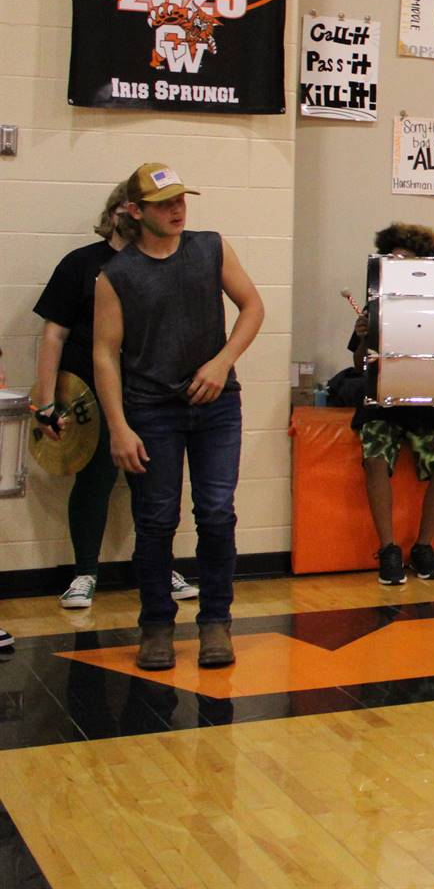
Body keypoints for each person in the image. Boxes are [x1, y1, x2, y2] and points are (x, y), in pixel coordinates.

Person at [94, 163, 264, 672]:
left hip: (216, 405)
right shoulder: (116, 275)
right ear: (135, 210)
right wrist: (119, 426)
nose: (176, 209)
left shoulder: (210, 247)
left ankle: (216, 622)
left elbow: (252, 306)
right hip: (151, 409)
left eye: (180, 200)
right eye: (163, 203)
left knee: (216, 513)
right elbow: (105, 354)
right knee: (156, 520)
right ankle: (157, 627)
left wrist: (222, 361)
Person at [31, 182, 199, 609]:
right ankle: (85, 572)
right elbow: (54, 333)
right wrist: (46, 401)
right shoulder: (81, 263)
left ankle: (158, 567)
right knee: (96, 478)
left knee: (155, 483)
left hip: (149, 390)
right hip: (91, 390)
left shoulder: (158, 262)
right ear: (127, 212)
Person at [351, 224, 434, 587]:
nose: (399, 265)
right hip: (383, 403)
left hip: (428, 403)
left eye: (407, 260)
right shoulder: (378, 304)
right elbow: (359, 367)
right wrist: (362, 338)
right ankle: (388, 549)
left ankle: (422, 546)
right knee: (375, 460)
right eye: (394, 260)